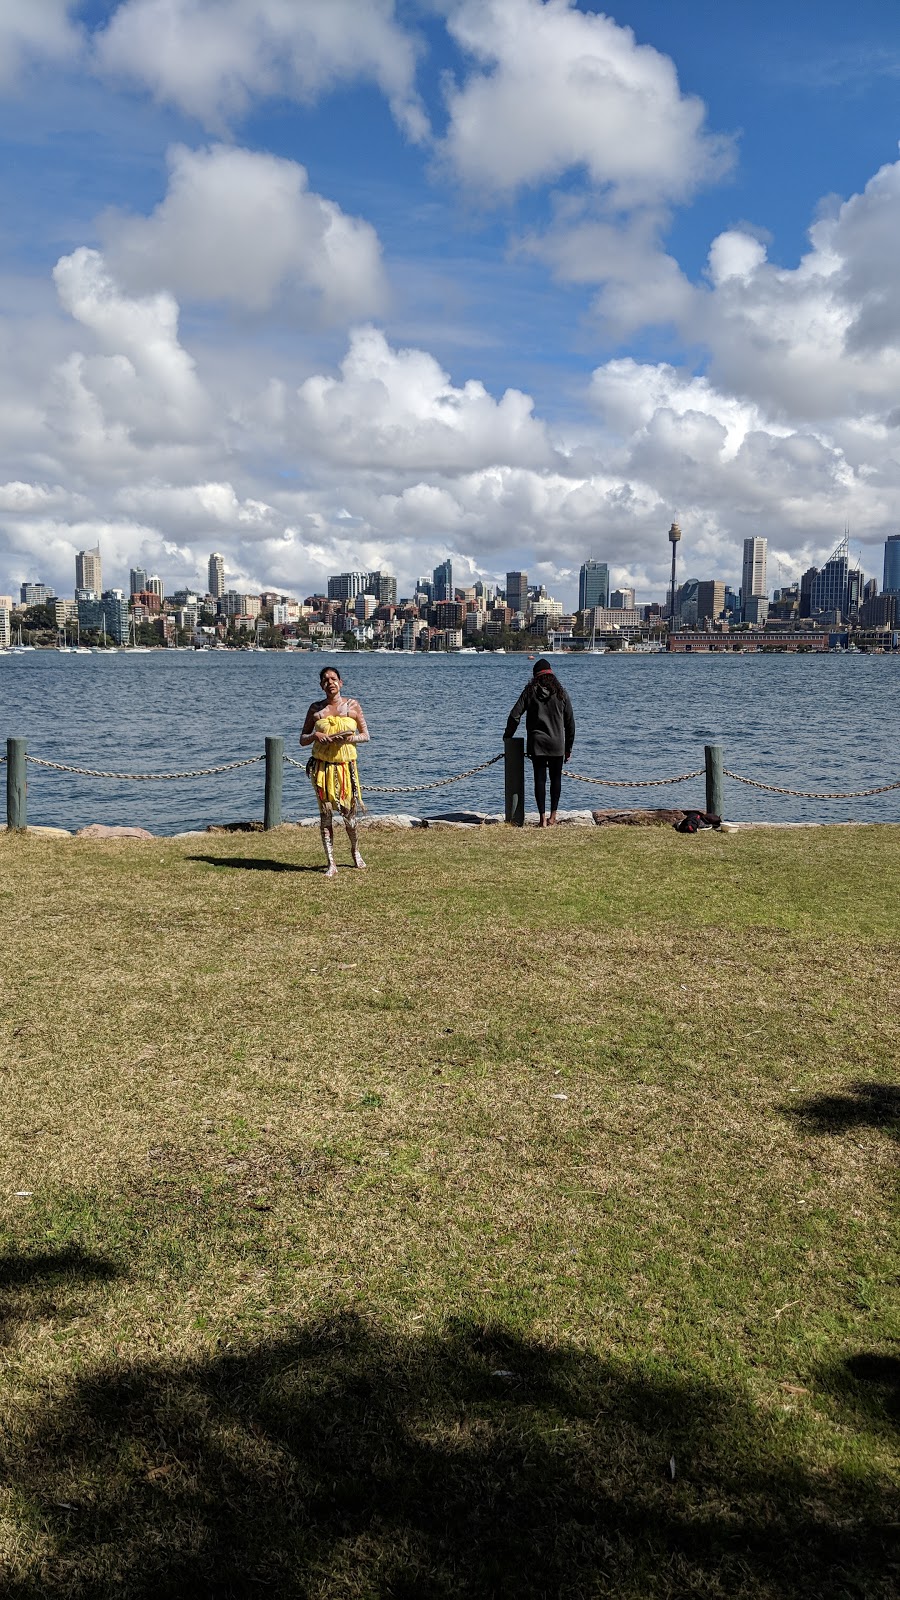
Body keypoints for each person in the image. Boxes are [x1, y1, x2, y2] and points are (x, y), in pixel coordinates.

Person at [300, 666, 370, 876]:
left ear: (341, 682)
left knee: (350, 816)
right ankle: (331, 863)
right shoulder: (315, 709)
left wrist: (349, 738)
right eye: (325, 680)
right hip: (322, 769)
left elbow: (366, 735)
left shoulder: (352, 705)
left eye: (333, 679)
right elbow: (302, 739)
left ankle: (355, 851)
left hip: (345, 769)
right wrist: (315, 736)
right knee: (326, 815)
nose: (329, 682)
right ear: (321, 685)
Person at [503, 658, 575, 827]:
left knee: (539, 780)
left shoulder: (530, 692)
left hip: (537, 745)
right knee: (556, 780)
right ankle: (553, 817)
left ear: (535, 676)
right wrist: (568, 748)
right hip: (558, 744)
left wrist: (508, 736)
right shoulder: (561, 693)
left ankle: (542, 819)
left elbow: (515, 715)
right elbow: (570, 724)